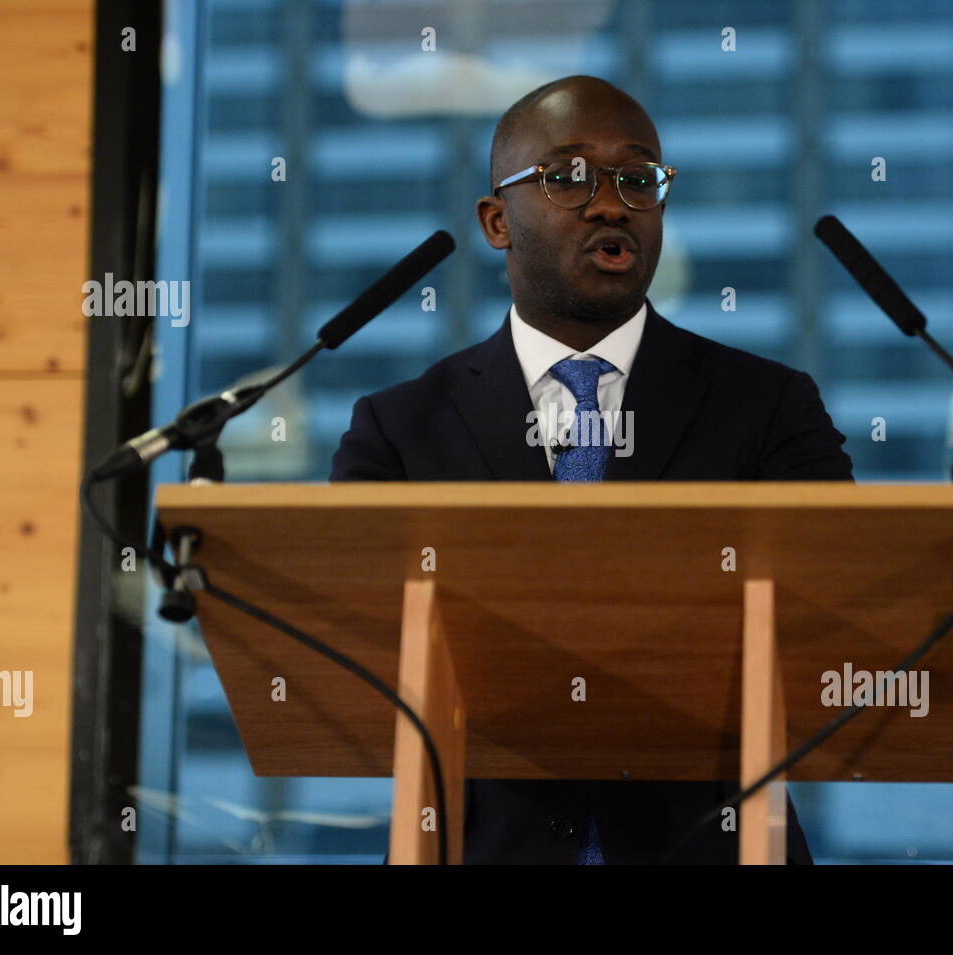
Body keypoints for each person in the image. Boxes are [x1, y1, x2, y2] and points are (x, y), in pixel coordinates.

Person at [331, 75, 853, 864]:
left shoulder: (769, 407)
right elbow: (354, 660)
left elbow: (836, 616)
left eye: (638, 178)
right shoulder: (401, 431)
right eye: (568, 176)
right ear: (497, 220)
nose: (611, 203)